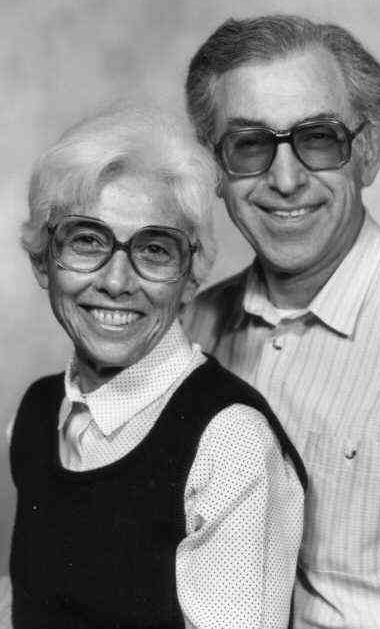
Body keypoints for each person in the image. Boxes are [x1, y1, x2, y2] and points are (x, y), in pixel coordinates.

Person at [182, 14, 380, 628]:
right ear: (214, 169)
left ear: (369, 150)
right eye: (250, 144)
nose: (285, 179)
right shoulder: (189, 331)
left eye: (319, 138)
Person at [0, 103, 307, 629]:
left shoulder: (230, 442)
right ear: (41, 261)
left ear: (190, 278)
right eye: (87, 240)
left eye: (155, 250)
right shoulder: (34, 413)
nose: (117, 282)